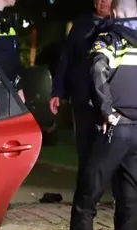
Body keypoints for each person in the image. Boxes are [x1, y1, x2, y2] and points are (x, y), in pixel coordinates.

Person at [64, 0, 137, 230]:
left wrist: (106, 110)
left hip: (114, 129)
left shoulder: (111, 37)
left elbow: (97, 69)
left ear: (117, 12)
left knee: (87, 195)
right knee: (130, 200)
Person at [50, 0, 113, 172]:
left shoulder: (119, 25)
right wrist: (57, 91)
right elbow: (66, 58)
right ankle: (85, 194)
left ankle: (116, 195)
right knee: (84, 147)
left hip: (110, 97)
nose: (104, 2)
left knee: (110, 148)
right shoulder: (81, 24)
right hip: (82, 96)